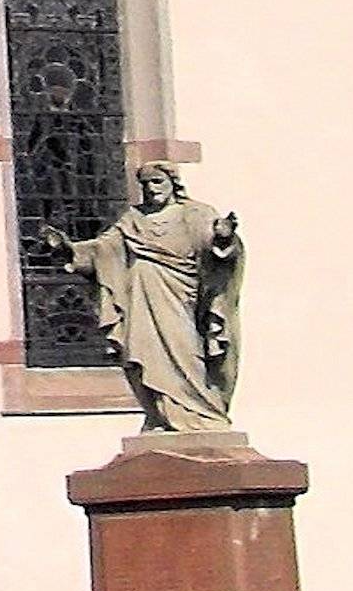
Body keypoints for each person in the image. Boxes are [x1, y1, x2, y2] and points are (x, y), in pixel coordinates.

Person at [43, 163, 245, 431]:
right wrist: (70, 250)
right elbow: (104, 249)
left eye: (158, 182)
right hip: (141, 301)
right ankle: (162, 415)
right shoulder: (133, 219)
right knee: (145, 354)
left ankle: (202, 415)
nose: (151, 189)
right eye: (146, 184)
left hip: (180, 298)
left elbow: (218, 253)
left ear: (173, 182)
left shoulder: (196, 214)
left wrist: (224, 239)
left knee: (186, 352)